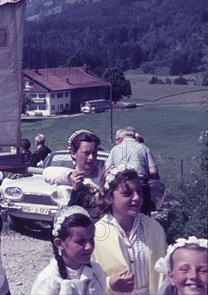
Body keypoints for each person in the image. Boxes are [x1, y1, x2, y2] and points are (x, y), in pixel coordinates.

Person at [92, 165, 167, 294]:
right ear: (109, 198)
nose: (137, 198)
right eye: (127, 193)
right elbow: (86, 278)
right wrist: (109, 284)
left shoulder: (154, 228)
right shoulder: (96, 233)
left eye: (139, 191)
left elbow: (165, 273)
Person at [31, 206, 106, 294]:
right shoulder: (49, 279)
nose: (89, 246)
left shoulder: (96, 271)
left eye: (91, 239)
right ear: (59, 244)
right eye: (80, 241)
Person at [43, 130, 103, 219]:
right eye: (86, 153)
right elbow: (46, 173)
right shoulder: (66, 176)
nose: (91, 158)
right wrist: (69, 176)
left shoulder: (103, 176)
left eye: (94, 153)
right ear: (73, 153)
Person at [105, 126, 159, 214]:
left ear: (122, 137)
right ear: (134, 136)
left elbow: (107, 169)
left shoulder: (115, 149)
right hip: (140, 185)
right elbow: (153, 171)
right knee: (143, 217)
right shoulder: (143, 148)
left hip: (121, 186)